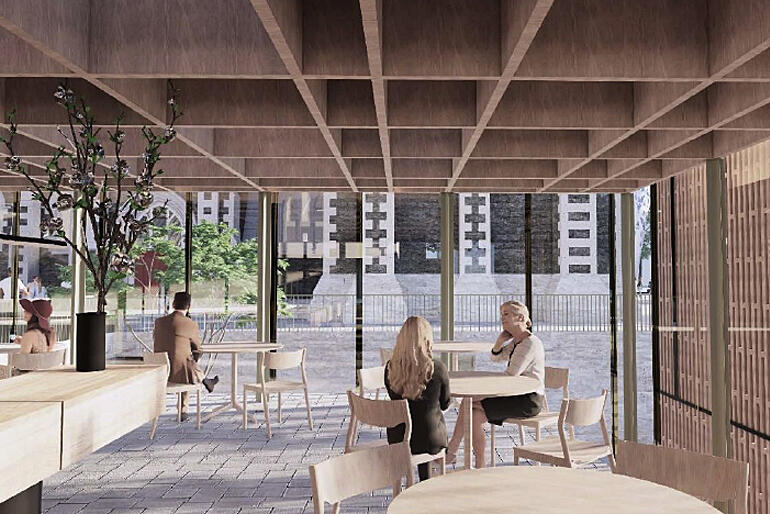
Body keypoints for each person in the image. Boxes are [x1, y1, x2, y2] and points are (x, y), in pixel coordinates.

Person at [446, 300, 545, 468]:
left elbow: (511, 376)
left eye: (506, 314)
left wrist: (483, 394)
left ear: (520, 317)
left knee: (469, 404)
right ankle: (477, 463)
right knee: (473, 413)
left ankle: (453, 453)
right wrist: (500, 342)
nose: (502, 318)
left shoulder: (530, 343)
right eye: (502, 314)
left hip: (528, 400)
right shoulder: (517, 341)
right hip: (514, 394)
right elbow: (495, 358)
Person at [384, 316, 451, 481]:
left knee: (417, 423)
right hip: (430, 438)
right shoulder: (438, 368)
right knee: (429, 423)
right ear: (427, 339)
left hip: (398, 438)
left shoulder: (390, 368)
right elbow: (444, 404)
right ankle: (426, 482)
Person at [153, 292, 218, 421]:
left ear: (173, 304)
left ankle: (205, 380)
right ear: (189, 306)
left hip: (160, 372)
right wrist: (195, 358)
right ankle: (184, 408)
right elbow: (198, 349)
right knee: (187, 362)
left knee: (183, 360)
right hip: (179, 373)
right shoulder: (189, 324)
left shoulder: (159, 322)